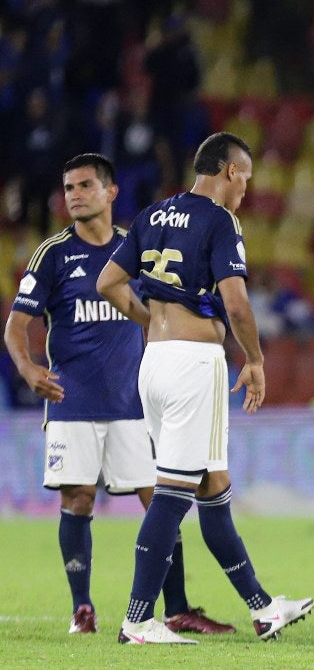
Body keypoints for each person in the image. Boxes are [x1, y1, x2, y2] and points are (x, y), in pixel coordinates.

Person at [4, 153, 234, 637]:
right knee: (79, 497)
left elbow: (169, 309)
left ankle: (178, 608)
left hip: (134, 404)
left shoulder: (139, 246)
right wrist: (27, 368)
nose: (74, 195)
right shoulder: (52, 254)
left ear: (111, 193)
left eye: (85, 185)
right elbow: (15, 327)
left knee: (163, 499)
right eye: (68, 188)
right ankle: (82, 609)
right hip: (73, 400)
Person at [96, 133, 313, 645]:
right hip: (194, 367)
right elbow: (236, 304)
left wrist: (153, 322)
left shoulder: (151, 215)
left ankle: (263, 609)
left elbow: (107, 282)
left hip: (154, 363)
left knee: (213, 486)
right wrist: (256, 360)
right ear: (231, 171)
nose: (246, 190)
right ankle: (137, 620)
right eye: (247, 178)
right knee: (172, 496)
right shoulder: (220, 221)